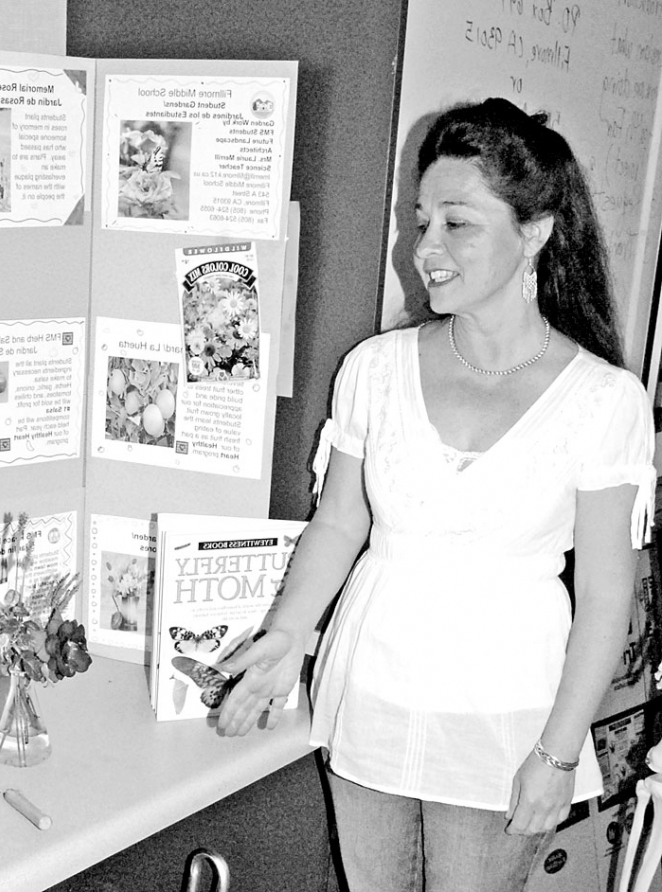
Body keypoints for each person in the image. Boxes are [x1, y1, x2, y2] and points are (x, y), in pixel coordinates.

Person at [216, 97, 657, 892]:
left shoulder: (603, 399)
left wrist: (558, 753)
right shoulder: (376, 368)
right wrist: (286, 634)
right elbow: (340, 521)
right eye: (420, 222)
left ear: (536, 231)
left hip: (505, 722)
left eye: (457, 223)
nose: (424, 248)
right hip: (370, 693)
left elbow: (604, 597)